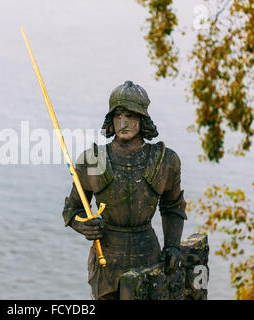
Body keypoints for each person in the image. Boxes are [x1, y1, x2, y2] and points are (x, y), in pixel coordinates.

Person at [61, 80, 187, 300]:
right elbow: (72, 210)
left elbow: (172, 207)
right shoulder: (92, 160)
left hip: (148, 258)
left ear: (142, 118)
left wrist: (173, 246)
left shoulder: (166, 160)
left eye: (130, 116)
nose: (123, 123)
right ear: (111, 119)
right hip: (106, 260)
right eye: (118, 116)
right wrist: (83, 225)